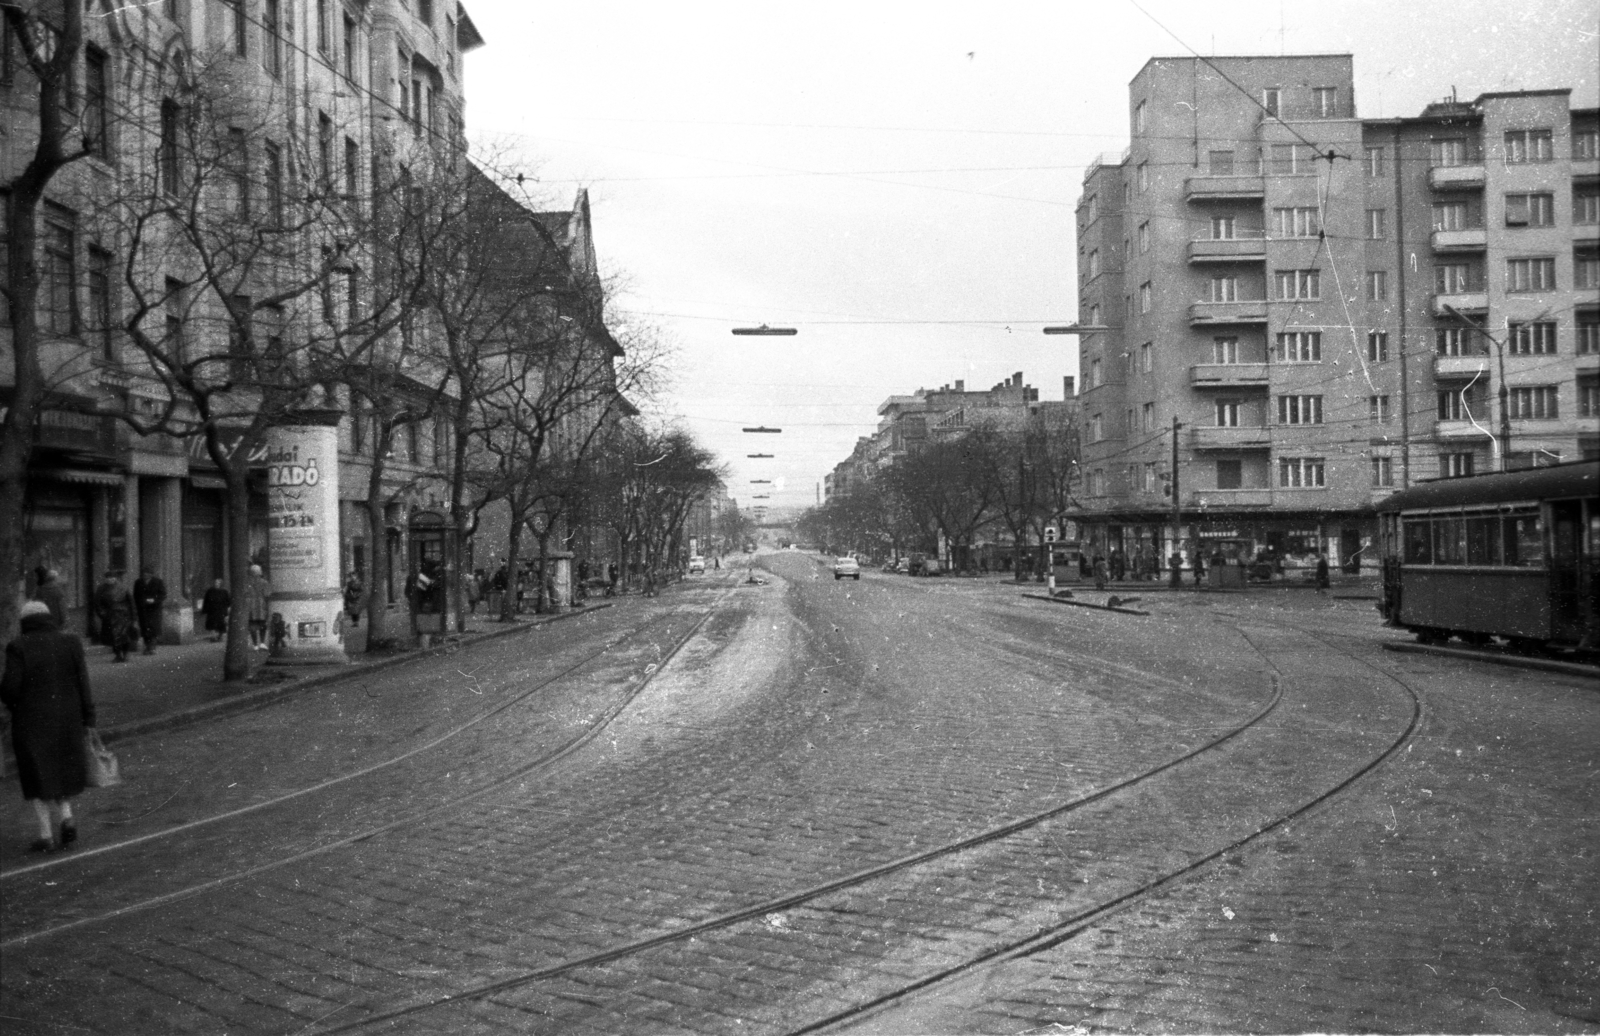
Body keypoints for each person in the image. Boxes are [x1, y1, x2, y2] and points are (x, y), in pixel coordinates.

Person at [2, 600, 96, 852]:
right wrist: (89, 718)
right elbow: (83, 683)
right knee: (62, 769)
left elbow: (11, 688)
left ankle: (46, 834)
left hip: (32, 721)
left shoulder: (18, 647)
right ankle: (67, 818)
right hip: (68, 719)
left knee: (37, 775)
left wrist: (13, 704)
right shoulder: (71, 643)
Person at [94, 571, 136, 663]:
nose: (110, 580)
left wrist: (133, 617)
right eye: (108, 578)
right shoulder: (101, 589)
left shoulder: (123, 588)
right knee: (113, 637)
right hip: (109, 616)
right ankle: (118, 655)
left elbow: (131, 602)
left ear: (116, 578)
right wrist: (102, 614)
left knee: (124, 636)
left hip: (123, 616)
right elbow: (97, 603)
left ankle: (125, 654)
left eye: (112, 577)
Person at [132, 565, 167, 655]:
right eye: (144, 574)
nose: (145, 575)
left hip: (154, 609)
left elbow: (163, 594)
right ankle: (147, 646)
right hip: (143, 609)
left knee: (153, 628)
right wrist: (137, 606)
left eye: (147, 574)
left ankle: (152, 647)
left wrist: (154, 600)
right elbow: (135, 595)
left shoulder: (158, 582)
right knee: (144, 628)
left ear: (151, 574)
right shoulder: (138, 582)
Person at [245, 564, 271, 651]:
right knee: (263, 624)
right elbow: (267, 595)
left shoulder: (247, 583)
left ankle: (255, 644)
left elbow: (245, 594)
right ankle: (262, 643)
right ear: (260, 572)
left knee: (252, 625)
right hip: (261, 605)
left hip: (250, 606)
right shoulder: (264, 582)